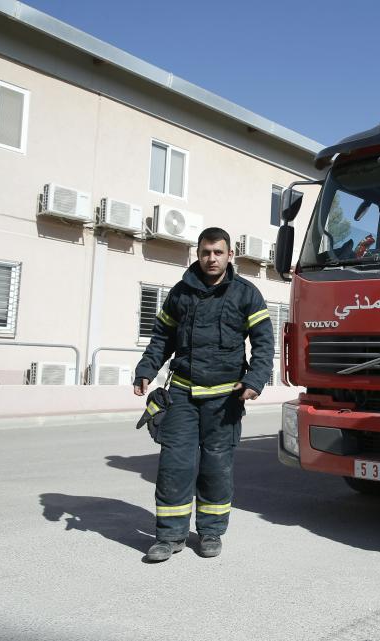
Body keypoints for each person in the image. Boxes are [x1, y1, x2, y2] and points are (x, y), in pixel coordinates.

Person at [134, 227, 274, 562]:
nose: (211, 258)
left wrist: (255, 380)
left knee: (216, 467)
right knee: (175, 465)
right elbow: (161, 337)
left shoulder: (246, 294)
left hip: (225, 400)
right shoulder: (180, 294)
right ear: (197, 254)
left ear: (229, 256)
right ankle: (169, 536)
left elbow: (264, 342)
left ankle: (211, 532)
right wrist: (146, 370)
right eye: (206, 252)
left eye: (218, 252)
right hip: (182, 393)